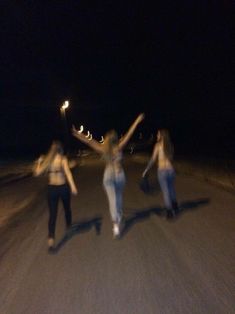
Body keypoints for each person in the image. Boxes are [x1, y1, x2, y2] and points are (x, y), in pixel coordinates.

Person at [72, 113, 144, 238]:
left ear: (106, 138)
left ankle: (115, 225)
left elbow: (89, 141)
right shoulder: (119, 146)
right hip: (119, 175)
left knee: (112, 200)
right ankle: (119, 215)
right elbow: (129, 134)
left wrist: (78, 134)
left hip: (108, 175)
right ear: (116, 139)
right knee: (119, 198)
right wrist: (137, 121)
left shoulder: (102, 148)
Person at [34, 140, 78, 248]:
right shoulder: (63, 159)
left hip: (51, 189)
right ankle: (68, 225)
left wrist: (39, 162)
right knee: (67, 208)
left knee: (53, 214)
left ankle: (51, 238)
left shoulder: (47, 161)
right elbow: (68, 173)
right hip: (63, 188)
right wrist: (73, 186)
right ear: (60, 149)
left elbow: (37, 173)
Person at [142, 129, 179, 218]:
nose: (157, 136)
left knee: (166, 191)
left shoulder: (158, 146)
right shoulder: (170, 145)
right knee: (171, 188)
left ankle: (169, 211)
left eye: (158, 134)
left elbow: (153, 159)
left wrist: (146, 169)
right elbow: (171, 158)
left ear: (162, 135)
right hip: (171, 170)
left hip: (162, 171)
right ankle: (175, 205)